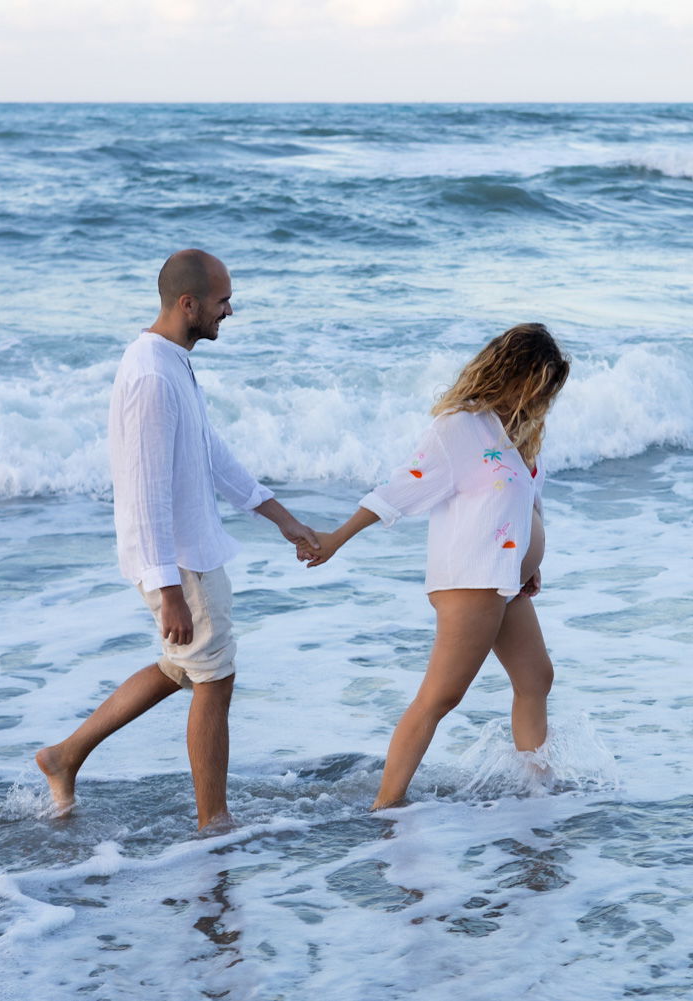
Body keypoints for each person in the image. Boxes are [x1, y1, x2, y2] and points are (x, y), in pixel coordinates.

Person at [37, 249, 318, 830]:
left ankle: (65, 756)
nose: (230, 311)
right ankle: (213, 822)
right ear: (188, 304)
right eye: (222, 301)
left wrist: (280, 517)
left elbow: (211, 452)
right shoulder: (150, 375)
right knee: (214, 679)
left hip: (188, 550)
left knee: (182, 667)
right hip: (179, 559)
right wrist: (167, 590)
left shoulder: (171, 362)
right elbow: (145, 493)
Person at [303, 323, 570, 809]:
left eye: (549, 389)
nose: (543, 398)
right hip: (472, 580)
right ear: (511, 373)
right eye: (538, 385)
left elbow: (524, 498)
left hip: (504, 578)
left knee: (536, 677)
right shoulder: (460, 428)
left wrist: (528, 562)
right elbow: (401, 488)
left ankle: (537, 791)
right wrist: (337, 538)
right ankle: (386, 806)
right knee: (440, 696)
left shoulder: (519, 430)